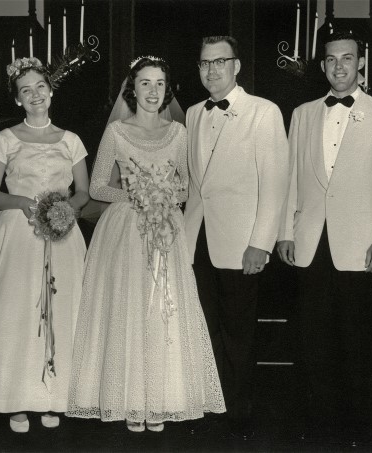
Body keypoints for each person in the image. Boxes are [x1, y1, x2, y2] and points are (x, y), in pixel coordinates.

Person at [66, 56, 225, 433]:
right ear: (131, 89)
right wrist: (137, 195)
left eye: (159, 84)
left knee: (163, 308)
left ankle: (162, 398)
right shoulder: (117, 132)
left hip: (167, 227)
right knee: (128, 308)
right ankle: (128, 399)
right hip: (123, 229)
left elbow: (189, 185)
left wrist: (163, 193)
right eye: (144, 84)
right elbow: (99, 186)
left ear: (166, 90)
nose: (152, 92)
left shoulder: (179, 133)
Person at [277, 31, 372, 446]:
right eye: (331, 60)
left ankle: (357, 432)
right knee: (312, 341)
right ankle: (318, 429)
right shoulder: (302, 113)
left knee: (354, 342)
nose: (339, 67)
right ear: (322, 66)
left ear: (360, 64)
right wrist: (285, 232)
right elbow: (291, 179)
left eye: (347, 59)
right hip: (309, 241)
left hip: (360, 246)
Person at [0, 57, 90, 433]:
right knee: (16, 312)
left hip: (61, 235)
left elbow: (84, 192)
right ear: (17, 99)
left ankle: (54, 398)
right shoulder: (6, 139)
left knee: (63, 309)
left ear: (50, 91)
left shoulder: (71, 140)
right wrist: (25, 204)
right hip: (17, 232)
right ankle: (13, 398)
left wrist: (64, 210)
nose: (35, 95)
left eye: (40, 87)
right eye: (25, 90)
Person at [184, 36, 290, 440]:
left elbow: (275, 184)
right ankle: (210, 402)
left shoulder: (263, 112)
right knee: (204, 326)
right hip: (197, 238)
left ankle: (238, 409)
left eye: (219, 62)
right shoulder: (193, 113)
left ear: (237, 65)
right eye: (204, 64)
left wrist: (260, 243)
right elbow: (198, 185)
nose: (211, 71)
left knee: (239, 331)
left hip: (241, 241)